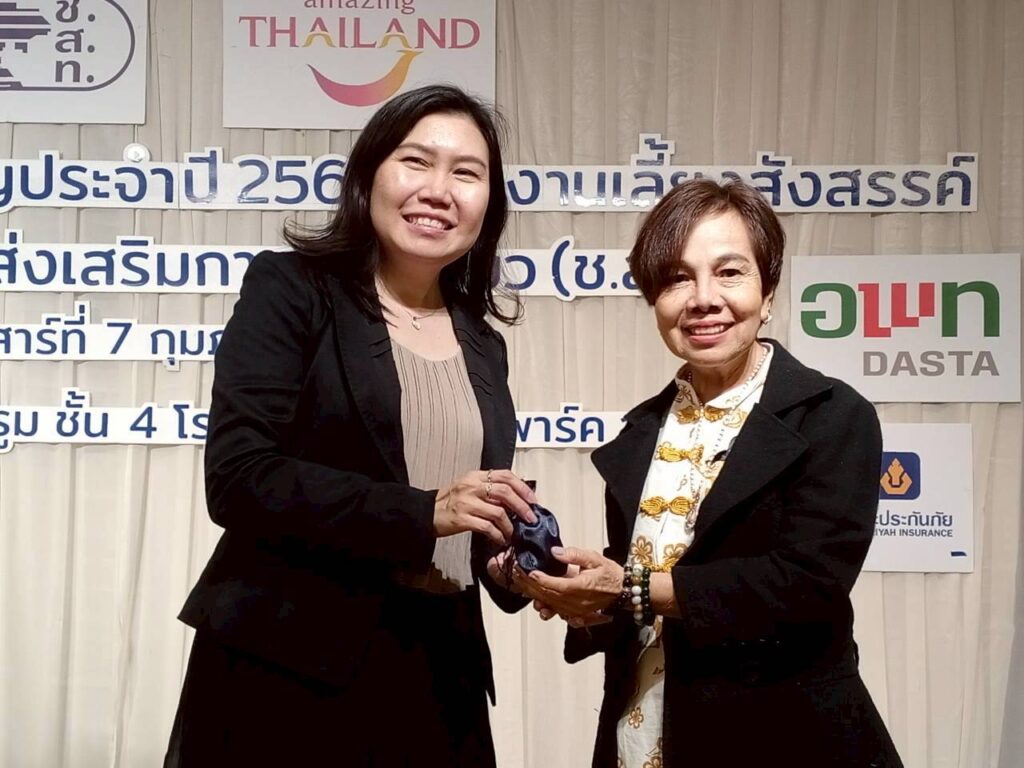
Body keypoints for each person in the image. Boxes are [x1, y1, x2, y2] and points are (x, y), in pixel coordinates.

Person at [163, 84, 536, 767]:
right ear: (368, 176)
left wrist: (516, 564)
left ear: (490, 202)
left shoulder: (484, 343)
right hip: (288, 665)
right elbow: (239, 478)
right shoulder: (292, 289)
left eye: (466, 173)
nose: (438, 190)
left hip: (440, 669)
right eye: (415, 161)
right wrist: (425, 510)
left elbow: (464, 522)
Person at [518, 179, 904, 767]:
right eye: (677, 278)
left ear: (767, 292)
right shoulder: (641, 430)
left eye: (729, 272)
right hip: (646, 730)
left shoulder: (832, 416)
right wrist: (582, 597)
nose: (703, 298)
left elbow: (807, 584)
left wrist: (630, 588)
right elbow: (638, 584)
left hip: (787, 736)